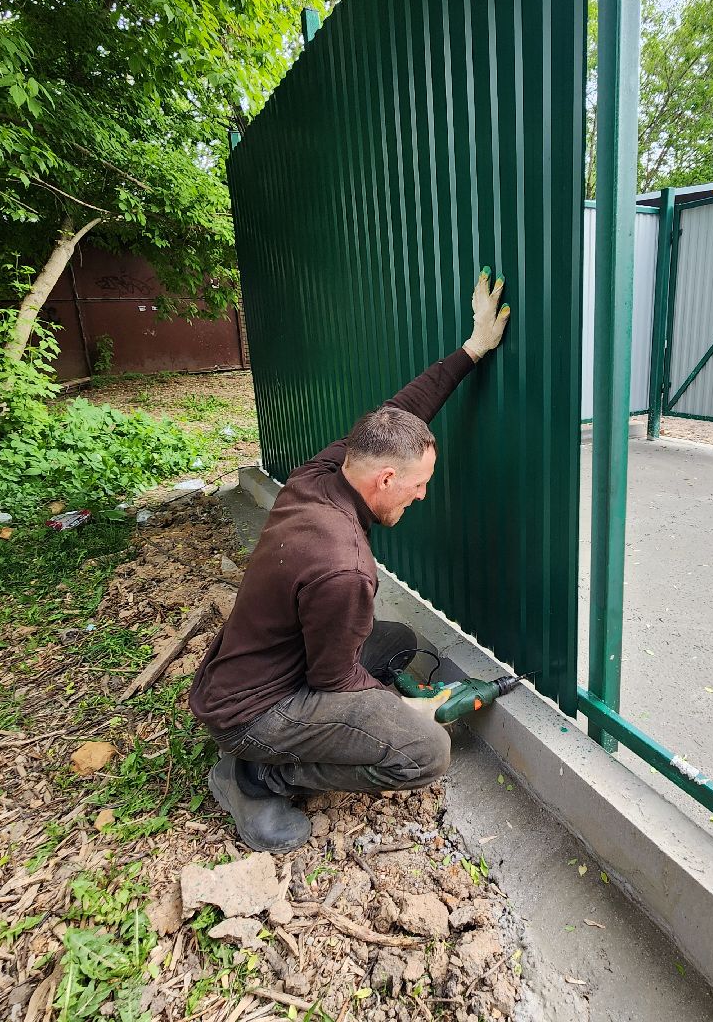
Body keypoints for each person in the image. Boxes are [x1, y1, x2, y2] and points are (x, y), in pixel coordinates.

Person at [188, 268, 511, 852]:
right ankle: (257, 776)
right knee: (426, 750)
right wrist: (411, 709)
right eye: (417, 486)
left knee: (397, 641)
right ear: (385, 477)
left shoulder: (324, 471)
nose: (421, 496)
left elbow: (400, 413)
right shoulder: (345, 567)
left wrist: (472, 350)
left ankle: (275, 755)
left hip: (248, 668)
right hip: (254, 711)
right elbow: (333, 682)